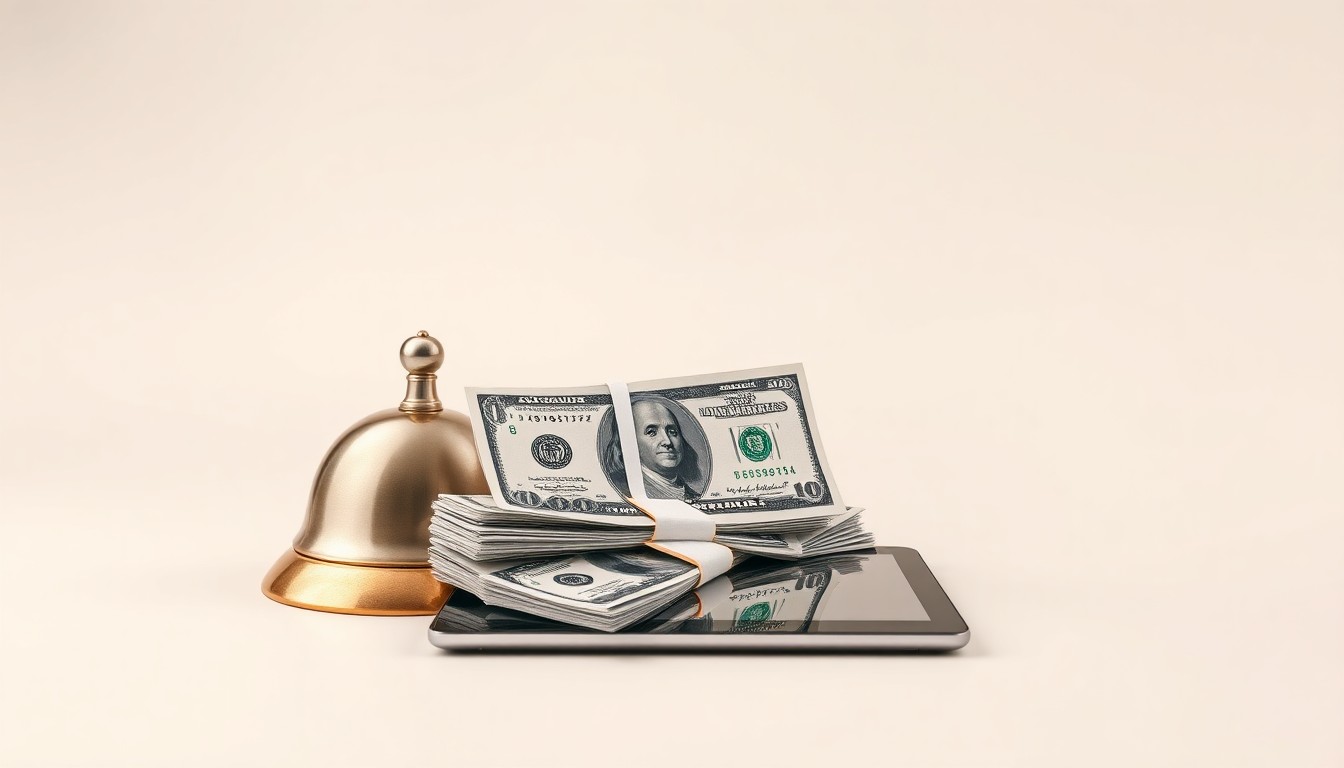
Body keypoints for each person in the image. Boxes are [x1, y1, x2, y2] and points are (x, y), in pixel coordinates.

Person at [600, 397, 703, 501]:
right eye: (651, 432)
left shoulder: (693, 495)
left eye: (672, 432)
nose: (667, 441)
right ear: (630, 441)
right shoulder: (615, 488)